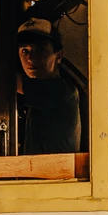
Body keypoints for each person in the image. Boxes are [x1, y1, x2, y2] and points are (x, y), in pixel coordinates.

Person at [16, 18, 81, 155]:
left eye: (40, 50)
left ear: (59, 56)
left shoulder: (62, 92)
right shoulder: (35, 97)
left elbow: (8, 82)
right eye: (24, 51)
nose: (31, 58)